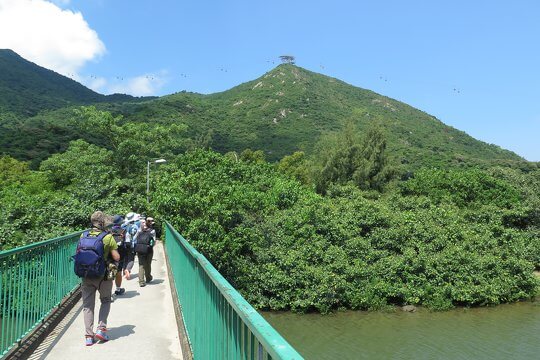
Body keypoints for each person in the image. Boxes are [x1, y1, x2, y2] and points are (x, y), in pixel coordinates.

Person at [80, 211, 120, 346]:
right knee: (106, 300)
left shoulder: (83, 235)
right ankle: (101, 329)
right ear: (103, 223)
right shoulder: (108, 237)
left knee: (87, 306)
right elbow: (116, 257)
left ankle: (88, 336)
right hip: (103, 276)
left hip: (86, 275)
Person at [134, 217, 156, 287]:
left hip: (140, 249)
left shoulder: (139, 230)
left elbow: (134, 238)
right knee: (148, 264)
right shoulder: (152, 231)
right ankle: (148, 278)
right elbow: (154, 242)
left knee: (141, 265)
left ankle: (141, 282)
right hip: (148, 250)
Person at [110, 215, 127, 295]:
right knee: (118, 272)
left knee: (111, 272)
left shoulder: (109, 231)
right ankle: (118, 289)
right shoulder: (123, 230)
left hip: (110, 254)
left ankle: (108, 293)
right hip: (120, 254)